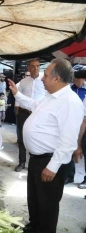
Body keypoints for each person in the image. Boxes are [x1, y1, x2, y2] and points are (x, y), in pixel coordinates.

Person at [8, 59, 83, 233]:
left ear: (57, 79)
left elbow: (69, 140)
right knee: (34, 199)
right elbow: (34, 105)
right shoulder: (51, 97)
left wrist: (53, 166)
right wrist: (17, 94)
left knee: (47, 204)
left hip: (49, 162)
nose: (42, 78)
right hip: (37, 159)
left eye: (46, 75)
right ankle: (34, 226)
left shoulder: (70, 102)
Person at [14, 59, 45, 172]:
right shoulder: (23, 82)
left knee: (37, 137)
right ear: (28, 68)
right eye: (33, 66)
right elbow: (18, 97)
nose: (35, 68)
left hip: (38, 113)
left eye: (37, 66)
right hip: (23, 113)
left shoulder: (44, 81)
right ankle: (22, 162)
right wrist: (17, 111)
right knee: (22, 138)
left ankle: (35, 163)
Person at [65, 76, 86, 185]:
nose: (83, 82)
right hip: (70, 123)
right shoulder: (68, 89)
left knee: (80, 149)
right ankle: (69, 175)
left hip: (82, 124)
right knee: (69, 148)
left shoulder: (85, 91)